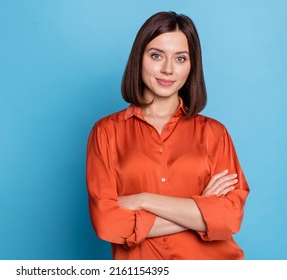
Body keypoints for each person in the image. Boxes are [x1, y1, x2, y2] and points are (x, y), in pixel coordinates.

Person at [86, 11, 250, 260]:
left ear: (192, 65)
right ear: (139, 59)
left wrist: (142, 199)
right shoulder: (106, 132)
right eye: (156, 56)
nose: (168, 69)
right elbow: (107, 223)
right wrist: (201, 211)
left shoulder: (214, 133)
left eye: (181, 58)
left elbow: (229, 218)